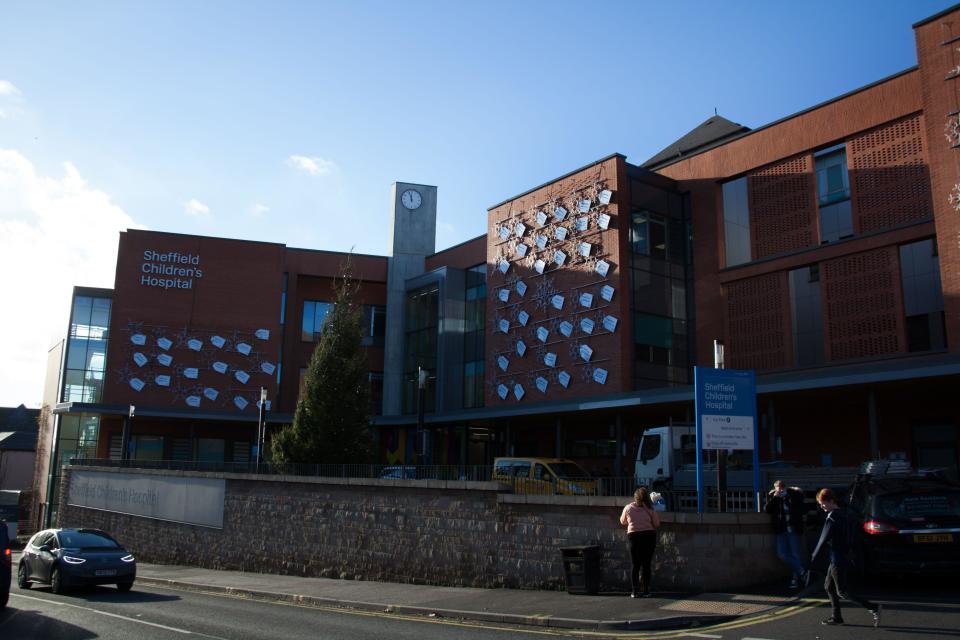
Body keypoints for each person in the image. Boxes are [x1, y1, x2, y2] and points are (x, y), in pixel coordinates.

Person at [811, 488, 881, 627]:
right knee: (828, 586)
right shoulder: (845, 514)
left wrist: (813, 557)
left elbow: (823, 538)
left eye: (823, 503)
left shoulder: (832, 517)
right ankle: (836, 617)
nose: (821, 506)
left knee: (841, 591)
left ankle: (873, 607)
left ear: (831, 501)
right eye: (820, 504)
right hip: (843, 555)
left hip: (837, 557)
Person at [764, 479, 807, 588]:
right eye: (778, 490)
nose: (781, 491)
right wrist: (775, 498)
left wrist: (790, 497)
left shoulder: (793, 495)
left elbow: (802, 509)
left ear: (785, 488)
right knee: (782, 554)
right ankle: (802, 571)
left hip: (793, 529)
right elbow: (767, 509)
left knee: (795, 554)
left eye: (782, 489)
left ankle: (795, 579)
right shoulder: (774, 498)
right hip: (781, 530)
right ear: (775, 489)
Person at [620, 486, 661, 598]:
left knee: (635, 564)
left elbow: (622, 521)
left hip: (634, 536)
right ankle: (646, 590)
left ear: (635, 498)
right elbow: (657, 524)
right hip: (648, 536)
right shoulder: (650, 508)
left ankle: (634, 591)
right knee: (646, 565)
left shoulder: (628, 508)